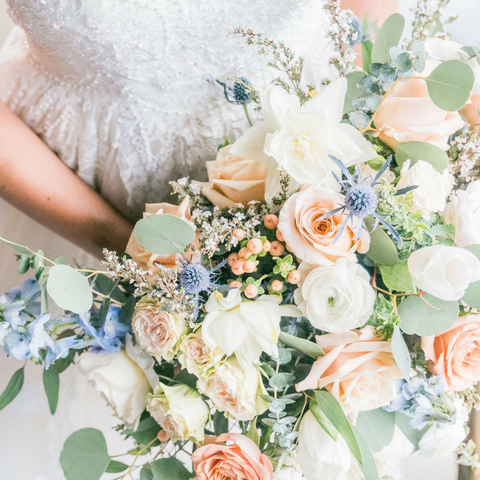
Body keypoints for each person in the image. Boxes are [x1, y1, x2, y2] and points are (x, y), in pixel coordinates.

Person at [0, 1, 398, 479]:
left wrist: (345, 156)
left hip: (318, 174)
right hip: (72, 195)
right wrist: (129, 248)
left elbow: (362, 13)